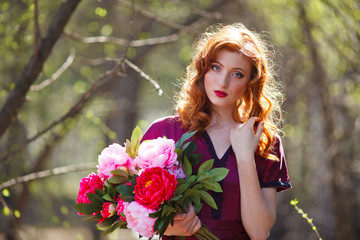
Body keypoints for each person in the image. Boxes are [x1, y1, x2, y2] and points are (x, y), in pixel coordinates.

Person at [141, 23, 291, 240]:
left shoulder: (266, 142)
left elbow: (259, 233)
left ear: (250, 82)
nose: (223, 82)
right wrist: (169, 227)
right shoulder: (164, 132)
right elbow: (131, 211)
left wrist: (245, 157)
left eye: (237, 74)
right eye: (216, 67)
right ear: (203, 69)